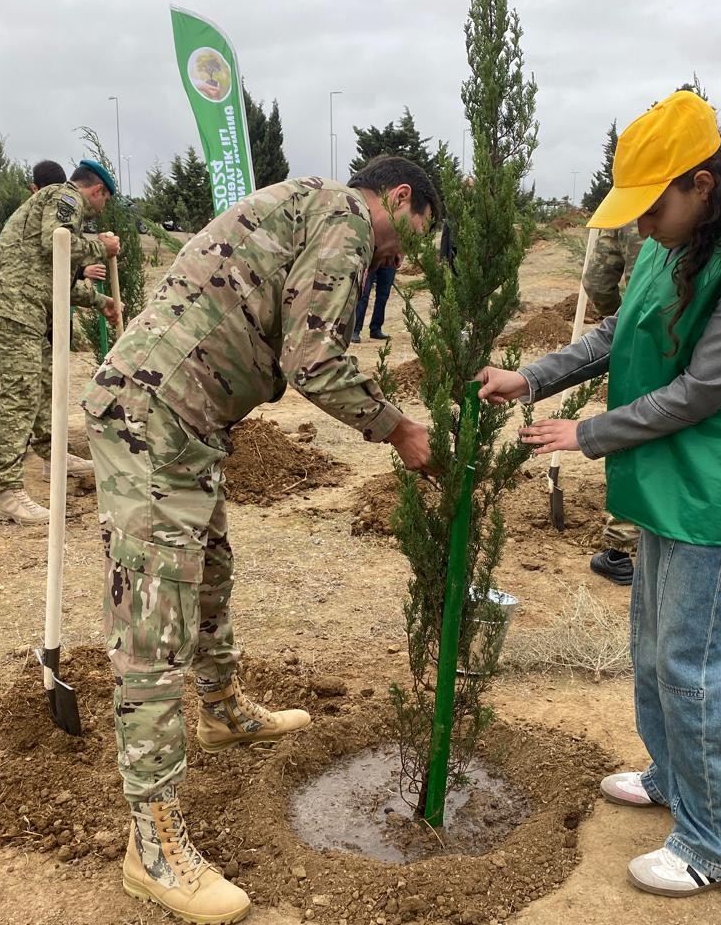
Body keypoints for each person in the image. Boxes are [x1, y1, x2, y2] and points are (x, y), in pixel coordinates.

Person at [476, 92, 721, 898]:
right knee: (654, 650)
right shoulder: (677, 244)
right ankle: (677, 777)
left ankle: (716, 844)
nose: (641, 225)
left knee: (700, 666)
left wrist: (588, 435)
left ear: (702, 184)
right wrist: (529, 377)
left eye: (652, 206)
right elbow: (617, 332)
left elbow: (707, 388)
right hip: (676, 481)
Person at [83, 155, 436, 923]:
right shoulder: (346, 216)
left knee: (210, 570)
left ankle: (221, 708)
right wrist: (398, 427)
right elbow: (311, 359)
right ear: (399, 198)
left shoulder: (310, 204)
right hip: (155, 417)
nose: (401, 255)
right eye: (414, 233)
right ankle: (152, 847)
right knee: (154, 625)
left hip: (186, 420)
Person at [0, 159, 122, 524]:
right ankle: (7, 492)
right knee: (21, 395)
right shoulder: (67, 197)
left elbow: (55, 272)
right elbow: (56, 243)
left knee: (42, 387)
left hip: (28, 309)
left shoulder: (54, 200)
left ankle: (53, 458)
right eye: (105, 201)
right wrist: (100, 246)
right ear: (98, 191)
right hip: (16, 309)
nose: (100, 208)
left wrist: (102, 301)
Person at [581, 220, 646, 585]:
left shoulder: (623, 212)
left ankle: (620, 550)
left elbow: (598, 281)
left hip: (638, 336)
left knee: (631, 427)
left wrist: (624, 317)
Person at [350, 264, 393, 343]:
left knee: (383, 295)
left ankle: (376, 329)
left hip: (389, 259)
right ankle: (355, 330)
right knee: (363, 294)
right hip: (371, 259)